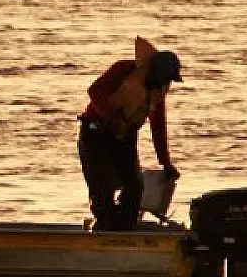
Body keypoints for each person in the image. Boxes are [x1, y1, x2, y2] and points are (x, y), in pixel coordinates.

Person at [77, 37, 182, 231]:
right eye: (164, 78)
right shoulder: (124, 69)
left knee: (134, 186)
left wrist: (165, 163)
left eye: (169, 80)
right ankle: (105, 227)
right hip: (95, 133)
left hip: (125, 138)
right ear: (153, 71)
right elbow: (95, 90)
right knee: (102, 187)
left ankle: (125, 228)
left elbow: (158, 126)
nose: (165, 83)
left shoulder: (158, 92)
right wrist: (111, 115)